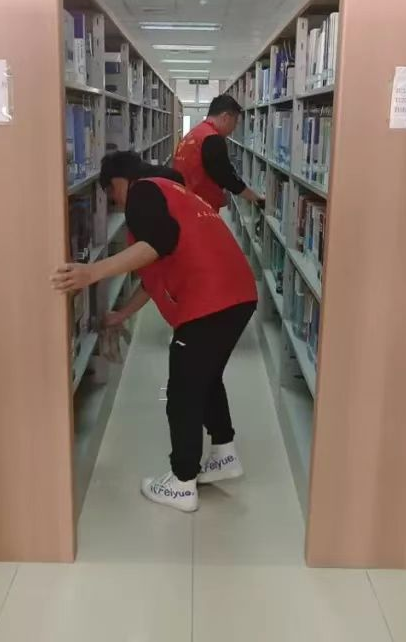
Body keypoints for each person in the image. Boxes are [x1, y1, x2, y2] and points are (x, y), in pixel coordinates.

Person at [51, 150, 257, 513]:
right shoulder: (174, 194)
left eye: (111, 194)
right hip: (238, 296)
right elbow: (153, 274)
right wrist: (121, 315)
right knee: (206, 378)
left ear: (119, 181)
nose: (116, 204)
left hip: (209, 301)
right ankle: (224, 454)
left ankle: (182, 482)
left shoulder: (143, 191)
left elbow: (159, 242)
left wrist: (91, 272)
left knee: (182, 392)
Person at [173, 94, 263, 210]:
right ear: (225, 117)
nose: (234, 128)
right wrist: (255, 198)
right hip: (199, 208)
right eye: (235, 121)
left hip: (184, 201)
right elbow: (228, 177)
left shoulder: (194, 133)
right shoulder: (213, 139)